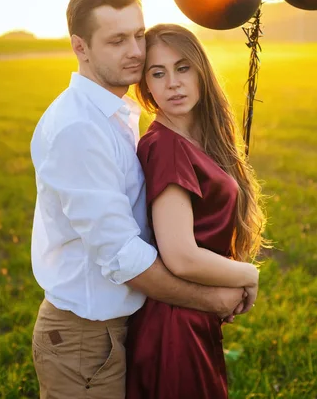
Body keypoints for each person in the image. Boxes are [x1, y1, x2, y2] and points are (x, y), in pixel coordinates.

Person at [30, 0, 248, 399]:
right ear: (81, 47)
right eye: (116, 40)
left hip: (121, 326)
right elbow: (123, 257)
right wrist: (214, 297)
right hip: (84, 339)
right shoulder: (80, 128)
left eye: (137, 35)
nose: (135, 50)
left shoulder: (118, 114)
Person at [126, 23, 267, 399]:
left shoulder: (194, 140)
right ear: (147, 87)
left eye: (182, 67)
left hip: (191, 315)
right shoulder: (167, 146)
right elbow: (181, 256)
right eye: (158, 73)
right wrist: (248, 275)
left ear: (201, 70)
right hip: (175, 324)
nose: (172, 82)